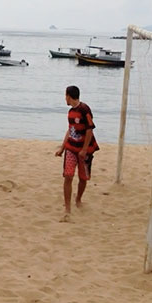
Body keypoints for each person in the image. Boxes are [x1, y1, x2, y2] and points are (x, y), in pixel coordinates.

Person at [54, 85, 99, 220]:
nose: (65, 99)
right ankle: (67, 207)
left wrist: (85, 149)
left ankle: (78, 199)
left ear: (69, 96)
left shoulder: (84, 109)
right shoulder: (70, 113)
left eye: (65, 95)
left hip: (84, 150)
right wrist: (62, 148)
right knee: (68, 176)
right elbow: (70, 130)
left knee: (83, 178)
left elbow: (89, 129)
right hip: (71, 148)